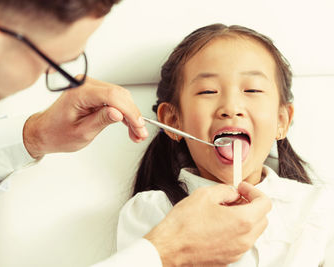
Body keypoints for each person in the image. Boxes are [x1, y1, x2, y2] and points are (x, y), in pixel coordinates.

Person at [0, 0, 272, 265]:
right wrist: (166, 253)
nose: (231, 107)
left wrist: (34, 136)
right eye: (50, 64)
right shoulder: (150, 212)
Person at [117, 24, 334, 266]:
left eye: (252, 89)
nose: (231, 107)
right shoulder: (151, 212)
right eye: (208, 91)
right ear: (172, 120)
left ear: (281, 121)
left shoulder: (319, 209)